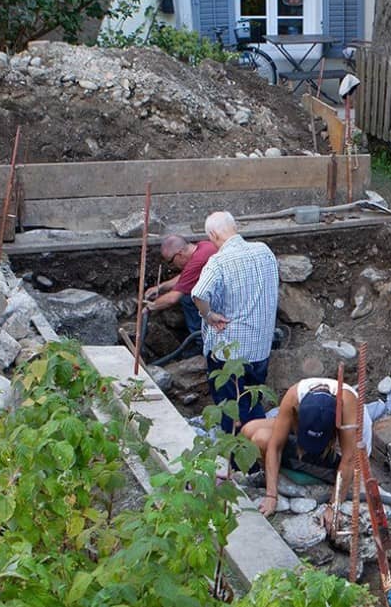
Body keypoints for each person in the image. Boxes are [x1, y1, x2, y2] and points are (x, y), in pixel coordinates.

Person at [190, 211, 279, 434]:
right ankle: (262, 449)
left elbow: (198, 294)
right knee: (251, 400)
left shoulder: (218, 262)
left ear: (212, 234)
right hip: (260, 347)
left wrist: (208, 315)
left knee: (231, 409)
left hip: (229, 353)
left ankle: (242, 464)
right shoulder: (264, 251)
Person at [240, 372, 373, 517]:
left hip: (342, 455)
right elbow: (275, 446)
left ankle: (300, 479)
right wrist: (271, 496)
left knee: (260, 439)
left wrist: (333, 506)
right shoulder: (295, 395)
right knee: (249, 430)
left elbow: (350, 459)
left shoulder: (347, 407)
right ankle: (276, 476)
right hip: (321, 436)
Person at [142, 234, 217, 336]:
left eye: (171, 261)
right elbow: (185, 276)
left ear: (180, 254)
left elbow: (172, 299)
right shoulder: (204, 245)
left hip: (223, 301)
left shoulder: (197, 262)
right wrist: (162, 287)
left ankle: (200, 340)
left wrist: (150, 307)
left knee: (187, 298)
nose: (172, 265)